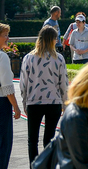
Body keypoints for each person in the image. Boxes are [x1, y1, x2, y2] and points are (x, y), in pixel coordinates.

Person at [20, 26, 68, 163]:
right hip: (54, 102)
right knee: (49, 139)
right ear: (52, 40)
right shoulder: (59, 59)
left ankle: (34, 166)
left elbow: (23, 84)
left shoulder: (28, 58)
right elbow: (63, 83)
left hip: (34, 102)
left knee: (32, 140)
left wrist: (24, 102)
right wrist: (65, 103)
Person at [0, 24, 21, 169]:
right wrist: (16, 107)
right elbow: (7, 86)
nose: (8, 38)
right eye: (5, 35)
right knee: (4, 144)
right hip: (1, 105)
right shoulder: (2, 57)